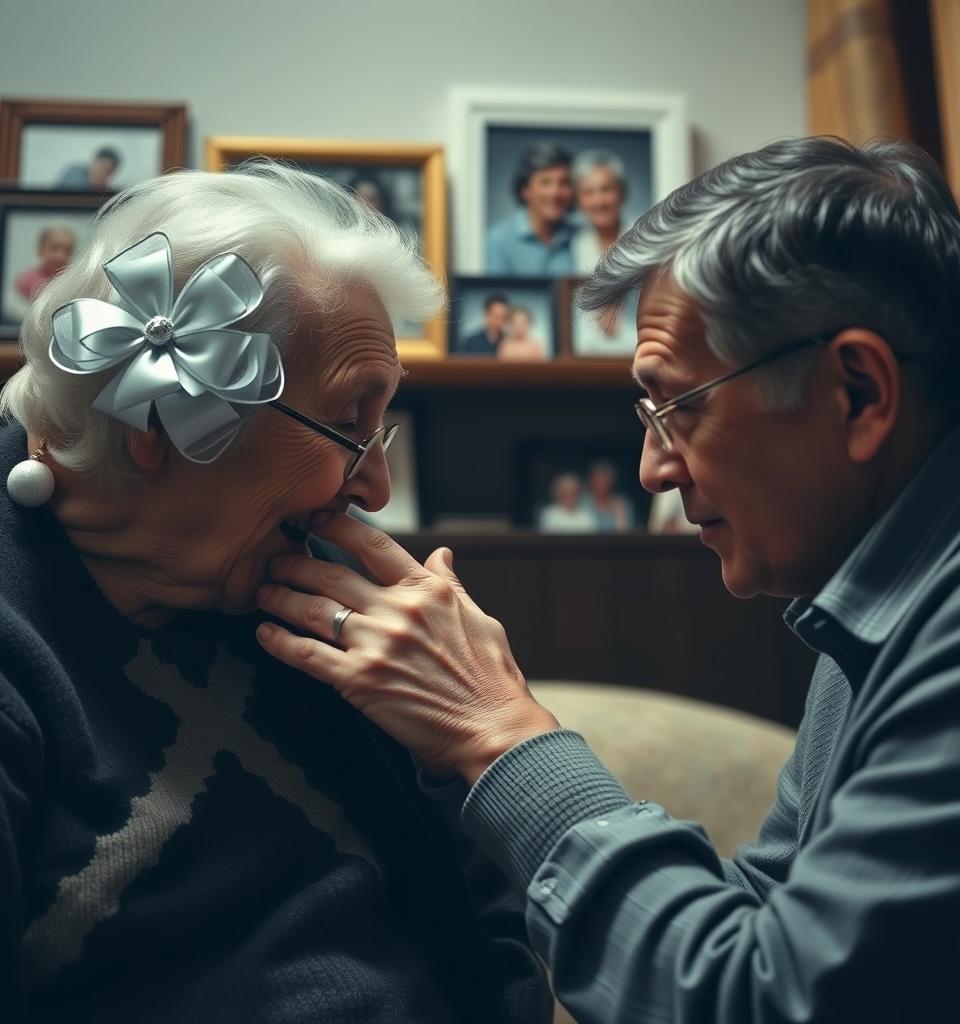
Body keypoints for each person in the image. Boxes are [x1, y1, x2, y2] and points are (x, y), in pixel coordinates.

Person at [253, 137, 960, 1023]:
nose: (653, 469)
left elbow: (756, 1003)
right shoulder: (894, 587)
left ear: (857, 391)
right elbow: (766, 919)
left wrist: (499, 736)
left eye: (678, 406)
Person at [0, 161, 550, 1023]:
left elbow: (495, 930)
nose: (375, 491)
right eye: (347, 426)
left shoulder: (319, 600)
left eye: (384, 426)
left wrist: (479, 736)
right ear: (154, 424)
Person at [485, 143, 576, 276]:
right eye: (545, 182)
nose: (555, 193)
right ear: (525, 190)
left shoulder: (579, 236)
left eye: (564, 183)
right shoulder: (498, 240)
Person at [570, 150, 630, 274]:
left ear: (622, 193)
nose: (599, 202)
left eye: (606, 189)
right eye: (588, 192)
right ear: (578, 200)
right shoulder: (575, 244)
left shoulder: (648, 237)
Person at [13, 226, 76, 302]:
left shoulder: (74, 280)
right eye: (54, 248)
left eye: (67, 250)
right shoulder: (26, 281)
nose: (60, 255)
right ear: (40, 250)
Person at [582, 459, 633, 532]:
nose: (601, 482)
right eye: (598, 478)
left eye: (605, 477)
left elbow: (626, 531)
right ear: (590, 480)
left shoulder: (621, 503)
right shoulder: (582, 501)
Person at [55, 146, 121, 190]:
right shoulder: (73, 173)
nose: (100, 173)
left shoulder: (110, 195)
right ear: (93, 163)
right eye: (99, 167)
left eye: (105, 171)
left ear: (111, 174)